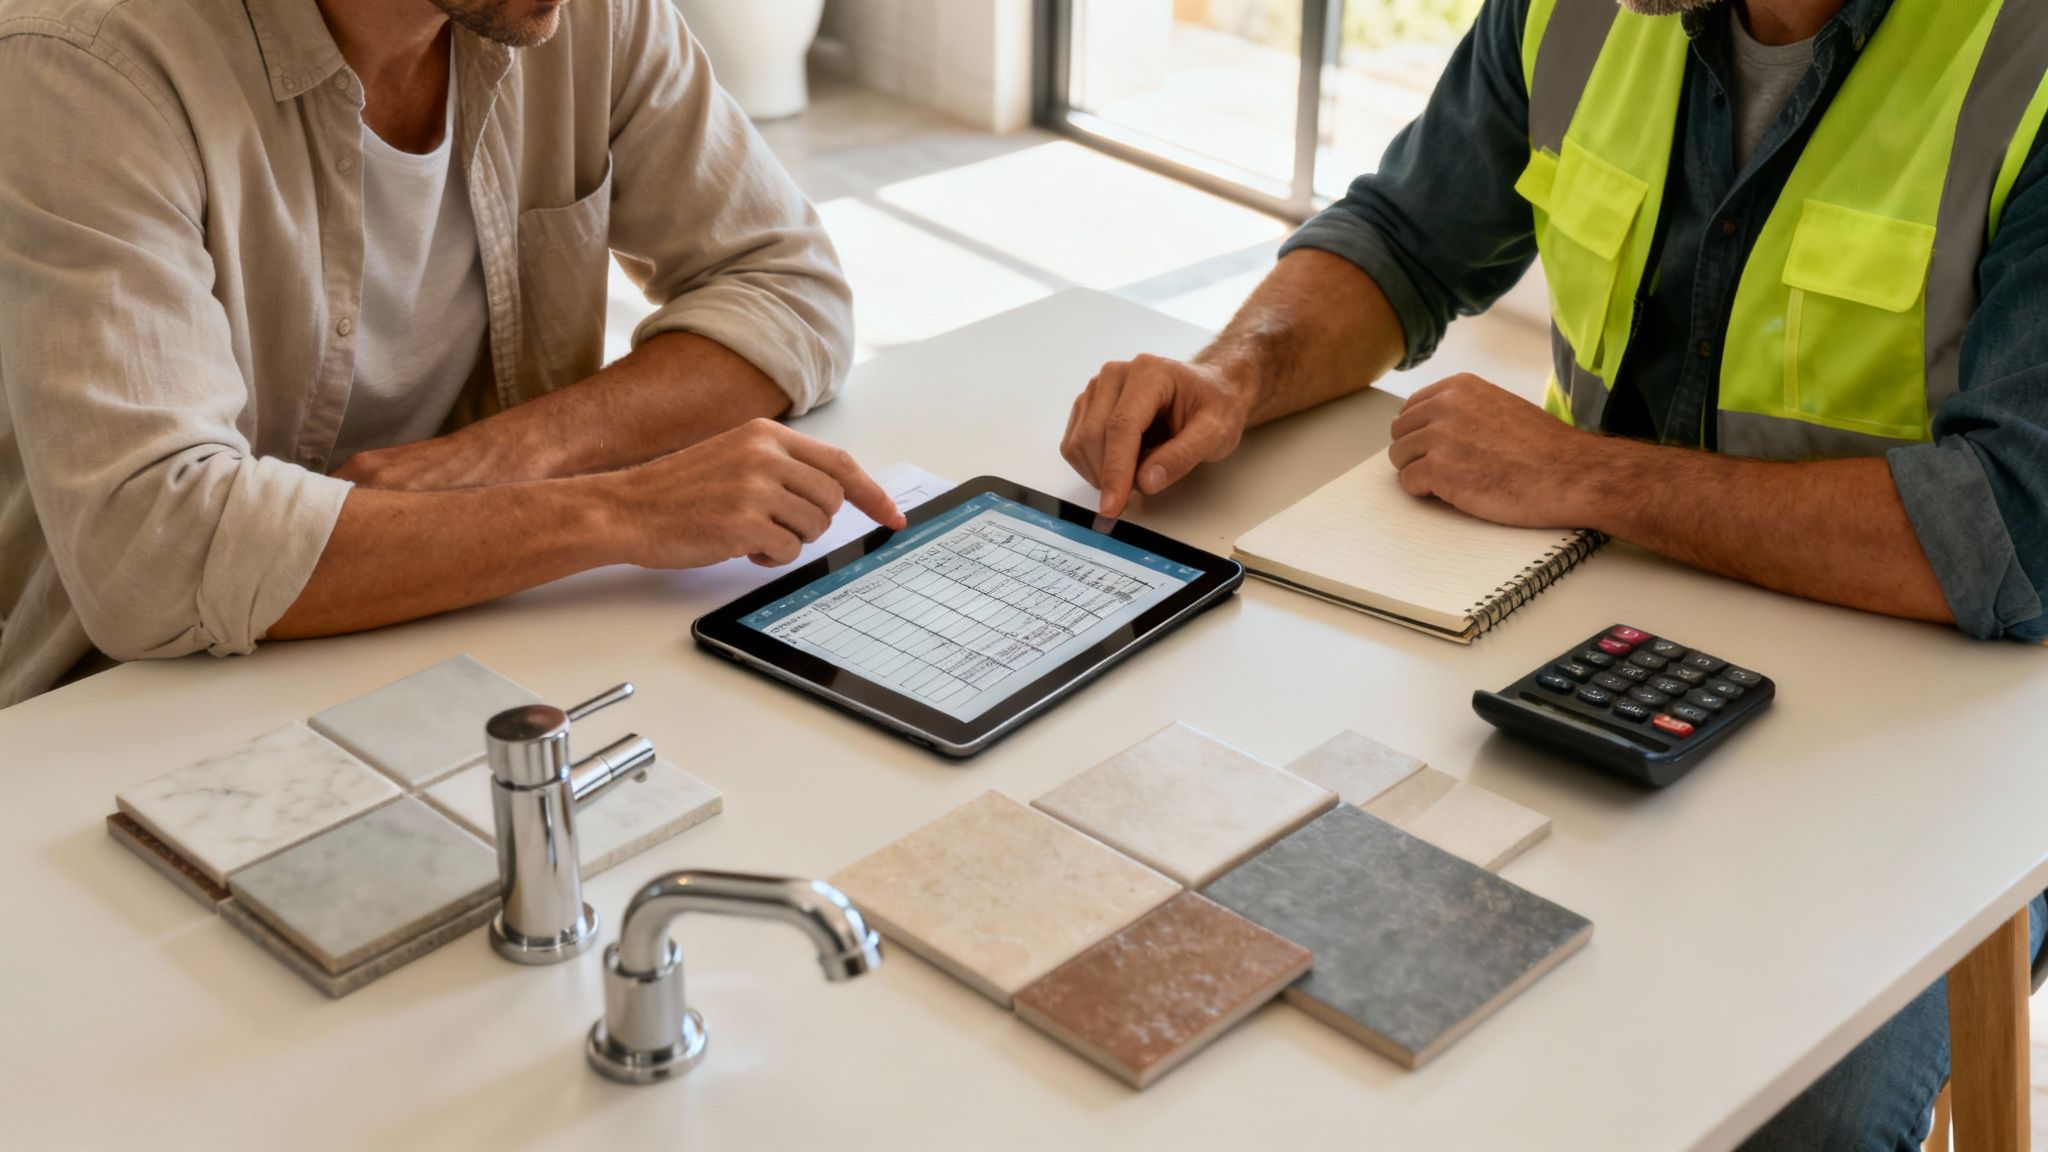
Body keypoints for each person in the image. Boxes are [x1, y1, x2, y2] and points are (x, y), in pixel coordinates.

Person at [1059, 0, 2047, 1144]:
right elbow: (1403, 240)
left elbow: (2016, 527)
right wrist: (1234, 374)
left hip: (1936, 746)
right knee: (1321, 935)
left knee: (1783, 1113)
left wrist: (1582, 476)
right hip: (1591, 657)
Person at [0, 0, 904, 708]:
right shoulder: (84, 62)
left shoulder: (579, 13)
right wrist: (623, 509)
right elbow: (151, 555)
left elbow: (790, 286)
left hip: (476, 632)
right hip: (135, 704)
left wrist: (501, 459)